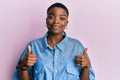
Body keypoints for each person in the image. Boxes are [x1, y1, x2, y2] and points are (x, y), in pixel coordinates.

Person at [13, 2, 95, 80]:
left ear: (66, 23)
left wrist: (87, 66)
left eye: (62, 18)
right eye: (51, 17)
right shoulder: (33, 46)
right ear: (46, 20)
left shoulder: (77, 46)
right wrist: (23, 65)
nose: (56, 21)